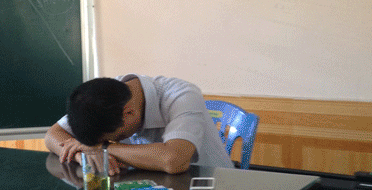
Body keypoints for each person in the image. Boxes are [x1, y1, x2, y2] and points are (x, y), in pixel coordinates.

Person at [44, 74, 234, 175]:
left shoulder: (182, 95)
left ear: (128, 113)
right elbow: (53, 134)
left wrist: (104, 148)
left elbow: (174, 160)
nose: (110, 142)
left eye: (116, 138)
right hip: (152, 189)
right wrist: (83, 156)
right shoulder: (105, 98)